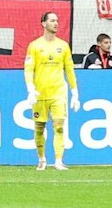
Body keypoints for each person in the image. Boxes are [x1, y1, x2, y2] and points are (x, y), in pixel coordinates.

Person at [23, 10, 78, 171]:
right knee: (39, 127)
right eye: (52, 20)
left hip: (58, 92)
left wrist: (74, 92)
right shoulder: (34, 46)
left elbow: (69, 70)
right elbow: (28, 69)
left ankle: (59, 161)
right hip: (40, 93)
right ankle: (41, 159)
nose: (56, 23)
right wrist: (30, 90)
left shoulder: (63, 46)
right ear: (44, 23)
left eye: (57, 21)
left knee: (59, 126)